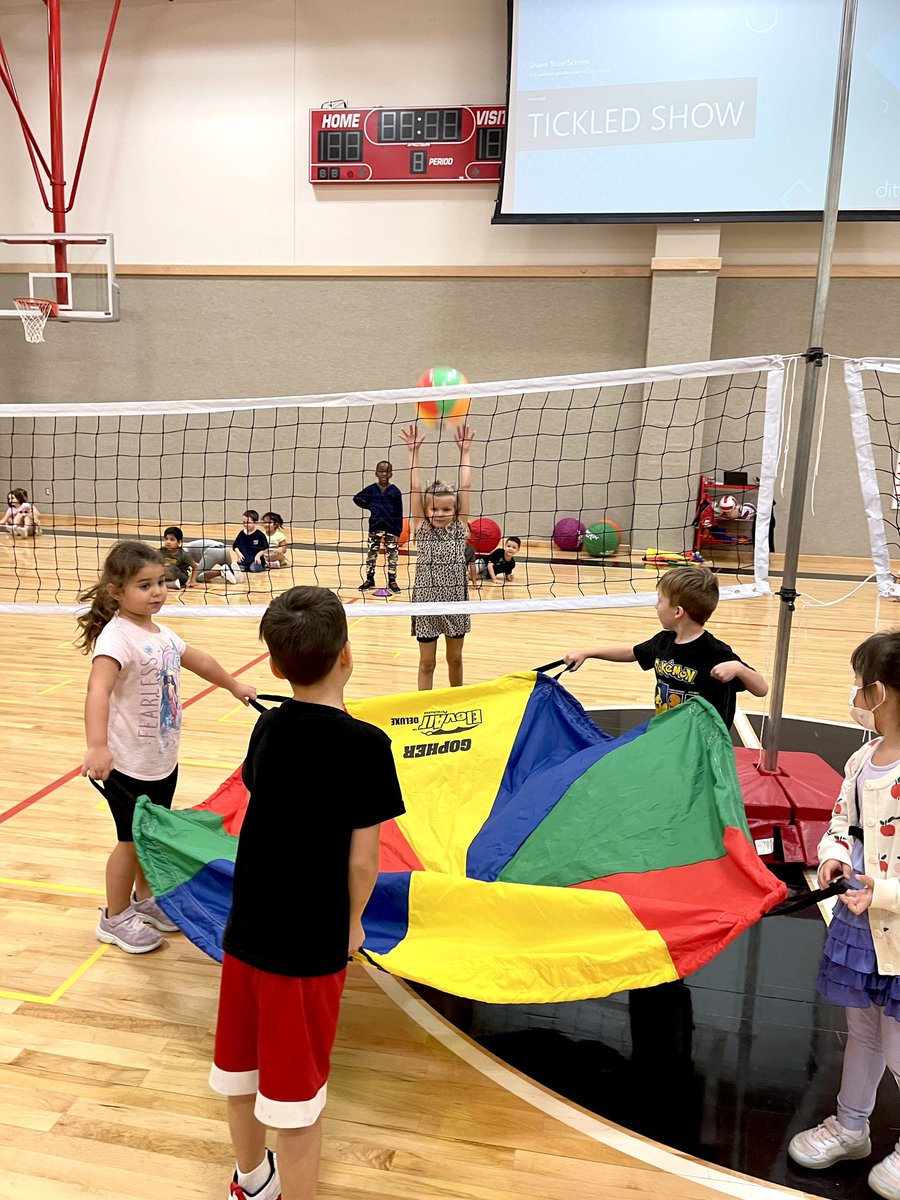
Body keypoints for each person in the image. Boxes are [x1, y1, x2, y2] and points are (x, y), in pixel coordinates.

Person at [209, 586, 404, 1200]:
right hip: (307, 943)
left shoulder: (267, 728)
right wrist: (353, 924)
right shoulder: (367, 745)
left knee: (239, 1071)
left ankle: (251, 1180)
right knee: (296, 1101)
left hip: (245, 931)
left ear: (272, 665)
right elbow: (364, 860)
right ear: (348, 655)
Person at [76, 540, 256, 953]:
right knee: (129, 840)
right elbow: (97, 691)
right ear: (116, 593)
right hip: (127, 764)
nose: (157, 591)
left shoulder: (160, 633)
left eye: (160, 582)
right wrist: (97, 746)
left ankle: (144, 899)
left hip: (161, 759)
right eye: (144, 585)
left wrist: (233, 685)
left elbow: (200, 660)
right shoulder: (116, 638)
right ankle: (115, 915)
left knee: (150, 835)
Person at [787, 631, 900, 1198]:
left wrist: (882, 890)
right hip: (862, 929)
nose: (854, 696)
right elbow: (839, 823)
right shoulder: (860, 759)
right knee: (863, 1031)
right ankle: (851, 1126)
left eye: (859, 686)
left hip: (897, 929)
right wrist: (832, 857)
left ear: (879, 692)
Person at [564, 565, 768, 729]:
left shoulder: (714, 652)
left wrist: (739, 668)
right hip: (669, 731)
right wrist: (588, 653)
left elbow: (761, 689)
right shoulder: (664, 641)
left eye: (660, 601)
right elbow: (631, 653)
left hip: (703, 742)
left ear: (677, 612)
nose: (655, 606)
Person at [400, 424, 474, 691]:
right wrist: (413, 453)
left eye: (446, 508)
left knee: (454, 658)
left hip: (455, 602)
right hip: (425, 603)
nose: (440, 513)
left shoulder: (459, 527)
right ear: (426, 509)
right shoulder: (421, 527)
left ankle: (456, 698)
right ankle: (424, 705)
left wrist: (465, 452)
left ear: (454, 511)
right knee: (426, 663)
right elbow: (414, 488)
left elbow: (465, 485)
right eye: (435, 508)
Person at [353, 461, 404, 593]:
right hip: (375, 527)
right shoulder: (371, 489)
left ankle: (392, 580)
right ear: (376, 473)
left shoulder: (395, 491)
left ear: (391, 474)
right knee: (371, 554)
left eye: (387, 471)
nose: (384, 474)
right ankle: (370, 579)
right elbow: (357, 498)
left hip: (391, 529)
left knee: (392, 556)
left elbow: (399, 513)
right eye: (381, 471)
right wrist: (370, 506)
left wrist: (398, 531)